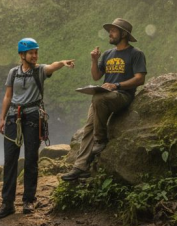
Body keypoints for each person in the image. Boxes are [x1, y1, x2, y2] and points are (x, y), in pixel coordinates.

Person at [0, 38, 75, 218]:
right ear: (22, 55)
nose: (35, 56)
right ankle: (7, 203)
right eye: (31, 52)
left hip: (32, 116)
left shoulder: (40, 71)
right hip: (13, 116)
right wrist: (1, 118)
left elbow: (52, 66)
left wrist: (62, 63)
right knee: (10, 160)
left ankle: (28, 200)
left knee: (31, 158)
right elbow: (8, 96)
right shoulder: (13, 73)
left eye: (36, 52)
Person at [61, 18, 147, 182]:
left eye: (114, 30)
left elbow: (139, 79)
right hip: (104, 96)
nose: (110, 33)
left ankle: (100, 140)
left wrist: (116, 85)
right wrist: (94, 60)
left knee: (98, 98)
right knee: (88, 128)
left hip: (122, 96)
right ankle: (80, 167)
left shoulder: (136, 54)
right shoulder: (108, 54)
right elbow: (96, 76)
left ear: (123, 34)